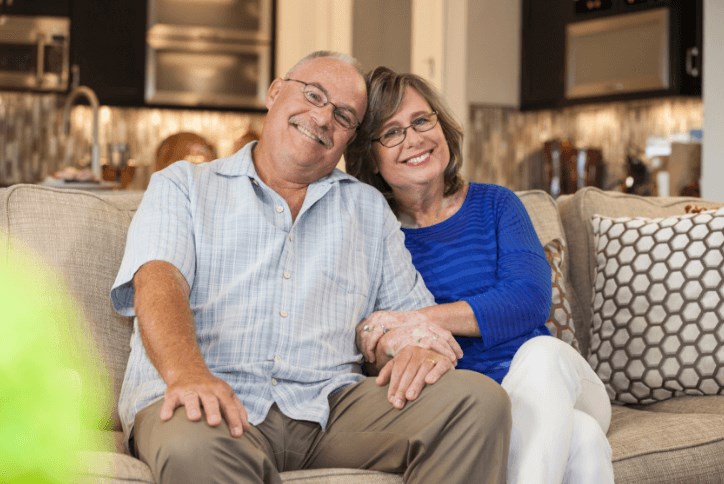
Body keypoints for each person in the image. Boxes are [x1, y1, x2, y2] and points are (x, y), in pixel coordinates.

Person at [111, 51, 511, 484]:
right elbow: (159, 283)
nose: (323, 118)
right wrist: (188, 375)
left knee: (477, 402)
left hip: (330, 409)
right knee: (193, 448)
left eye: (342, 115)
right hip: (211, 396)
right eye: (313, 96)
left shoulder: (367, 208)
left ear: (349, 139)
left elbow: (408, 313)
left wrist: (416, 348)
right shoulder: (184, 185)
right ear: (275, 92)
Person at [345, 66, 614, 484]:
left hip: (560, 382)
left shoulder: (496, 204)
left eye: (421, 120)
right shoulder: (374, 236)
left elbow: (528, 299)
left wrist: (419, 320)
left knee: (543, 357)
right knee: (585, 439)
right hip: (473, 408)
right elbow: (369, 342)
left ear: (442, 128)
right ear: (371, 158)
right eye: (392, 132)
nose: (414, 139)